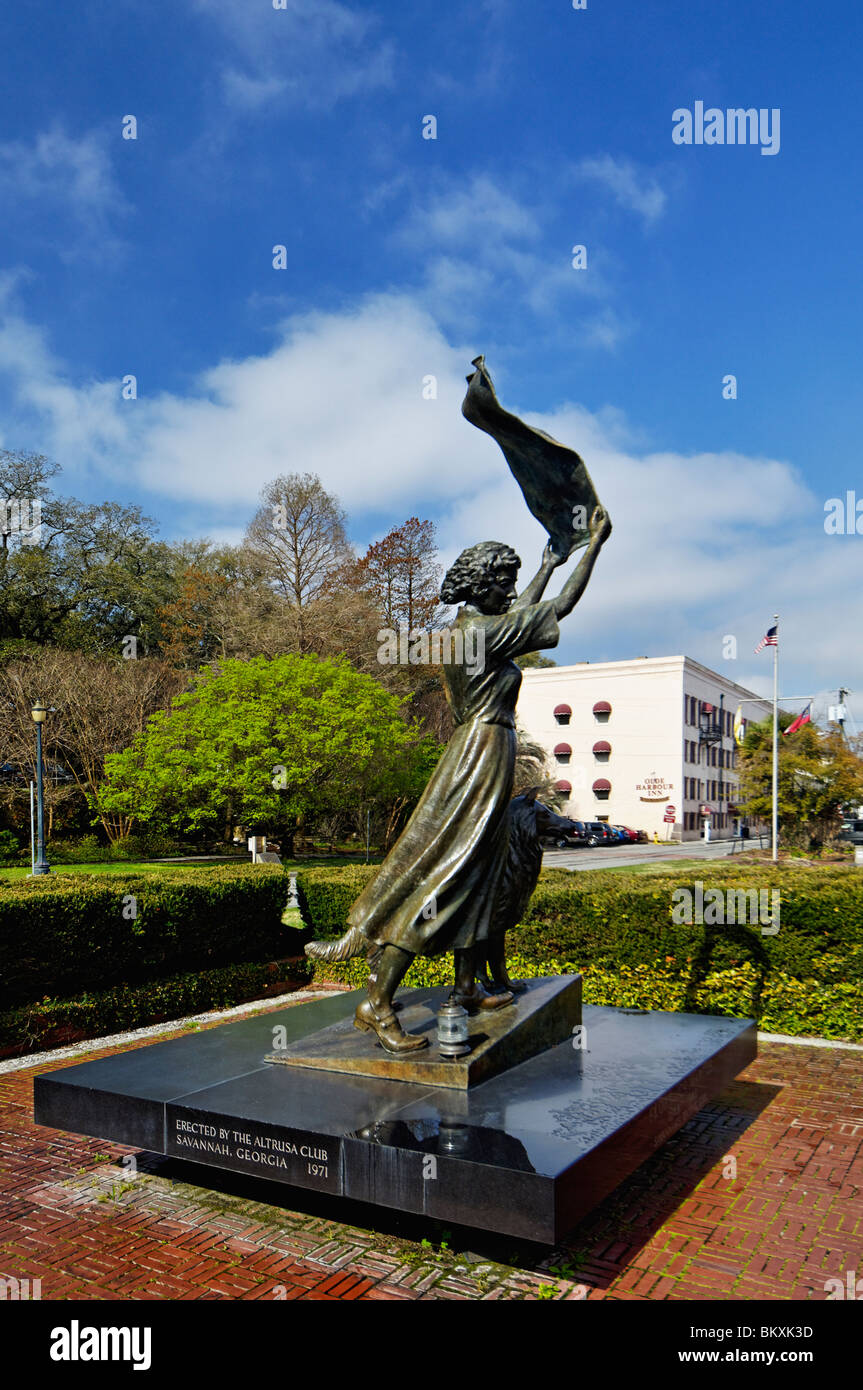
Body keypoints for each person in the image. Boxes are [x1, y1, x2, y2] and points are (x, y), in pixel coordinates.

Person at [306, 505, 612, 1053]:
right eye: (508, 582)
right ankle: (377, 1002)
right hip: (481, 755)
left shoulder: (469, 632)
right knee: (449, 874)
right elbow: (558, 608)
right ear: (485, 585)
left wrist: (545, 564)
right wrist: (593, 549)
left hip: (481, 751)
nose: (512, 590)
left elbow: (523, 612)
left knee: (483, 871)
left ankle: (466, 987)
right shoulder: (483, 634)